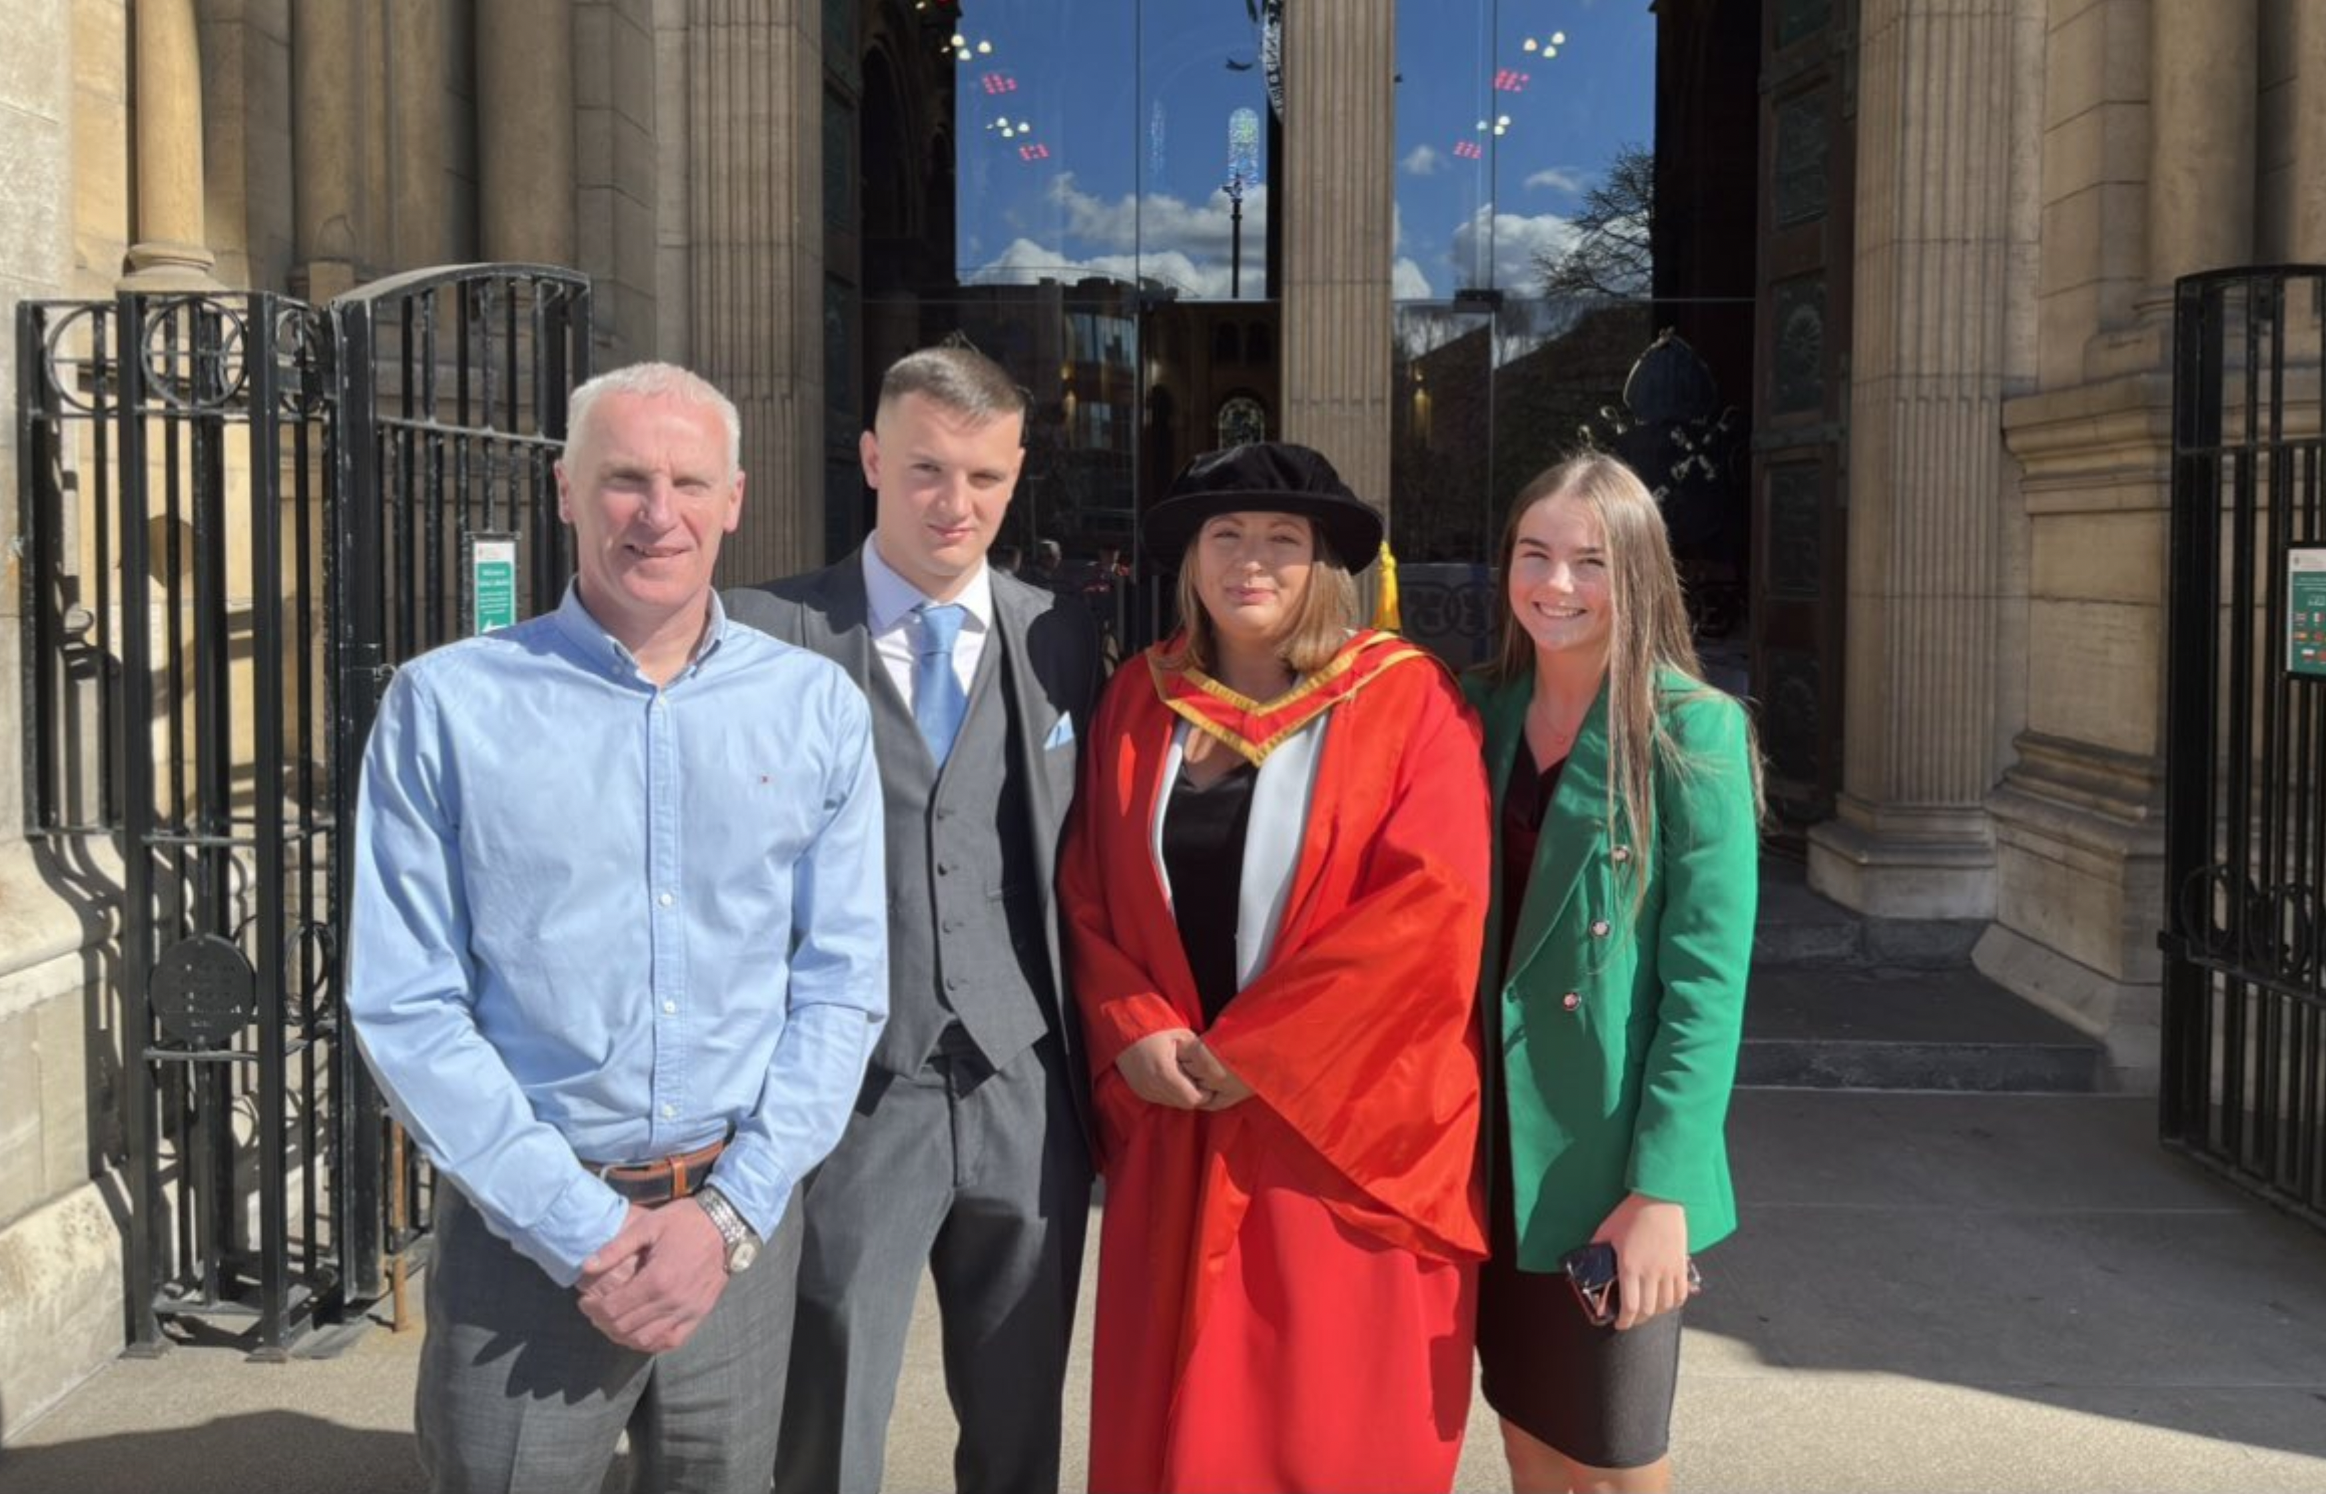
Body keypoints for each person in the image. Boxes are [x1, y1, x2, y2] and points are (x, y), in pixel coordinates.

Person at [345, 362, 890, 1494]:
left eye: (689, 480)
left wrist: (729, 1216)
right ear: (565, 490)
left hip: (733, 1242)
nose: (658, 512)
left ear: (734, 498)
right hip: (524, 1251)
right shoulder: (446, 705)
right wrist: (580, 1228)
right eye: (625, 479)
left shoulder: (815, 708)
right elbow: (406, 1003)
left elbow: (839, 986)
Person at [1059, 442, 1492, 1493]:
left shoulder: (1404, 702)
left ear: (1324, 566)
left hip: (1335, 1137)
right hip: (1179, 1118)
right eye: (1226, 536)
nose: (1250, 561)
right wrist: (1134, 1028)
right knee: (1170, 1424)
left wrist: (1264, 1054)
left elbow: (1432, 906)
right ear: (1191, 559)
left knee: (1320, 1430)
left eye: (1281, 541)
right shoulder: (1138, 699)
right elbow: (1089, 892)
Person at [725, 344, 1103, 1494]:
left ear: (1017, 473)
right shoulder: (765, 629)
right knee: (825, 1410)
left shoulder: (1060, 637)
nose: (956, 504)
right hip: (848, 1093)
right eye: (928, 470)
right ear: (873, 459)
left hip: (1024, 1087)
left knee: (1019, 1412)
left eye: (984, 478)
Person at [1465, 452, 1761, 1494]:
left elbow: (1705, 985)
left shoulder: (1694, 732)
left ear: (1635, 573)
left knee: (1616, 1456)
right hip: (1489, 1156)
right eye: (1533, 554)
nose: (1554, 585)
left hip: (1609, 1163)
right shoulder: (1478, 713)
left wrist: (1662, 1191)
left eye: (1589, 561)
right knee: (1526, 1432)